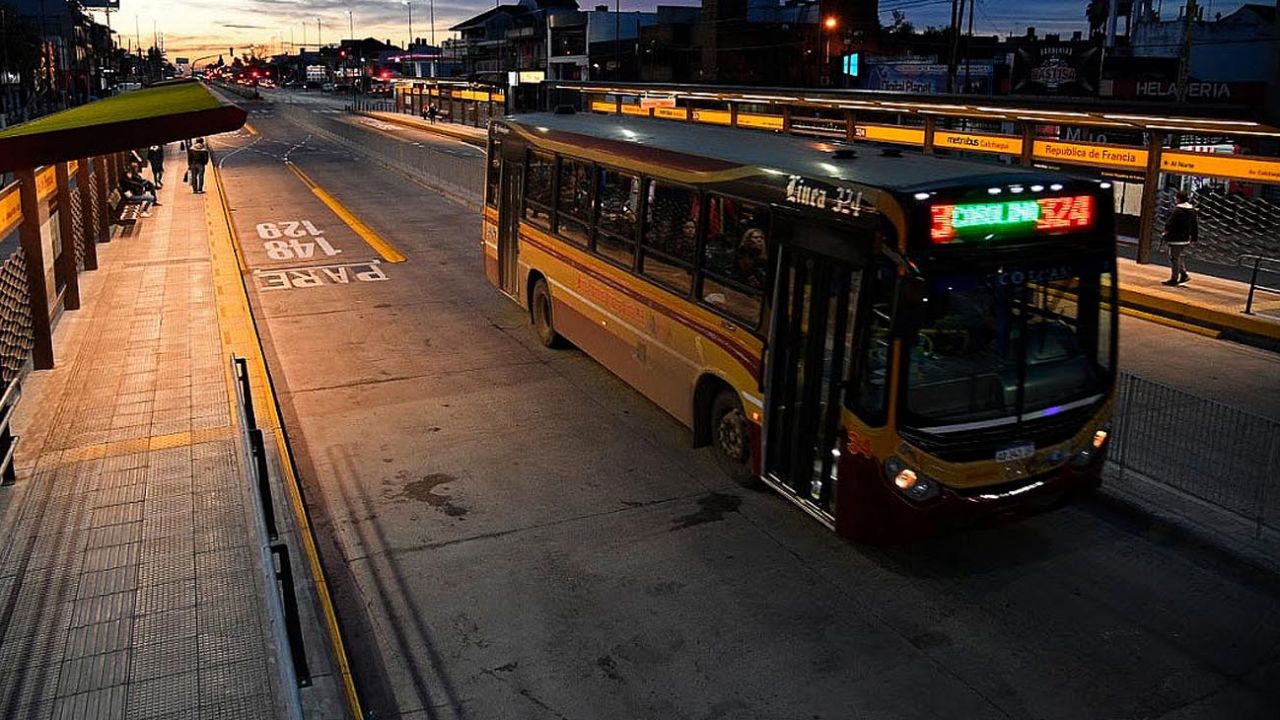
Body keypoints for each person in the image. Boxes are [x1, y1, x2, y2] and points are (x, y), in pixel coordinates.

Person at [1162, 190, 1198, 286]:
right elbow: (1195, 225)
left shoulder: (1177, 210)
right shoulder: (1192, 210)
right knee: (1177, 256)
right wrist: (1194, 238)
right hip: (1185, 238)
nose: (1175, 199)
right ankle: (1183, 275)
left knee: (1174, 257)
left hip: (1176, 238)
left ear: (1178, 199)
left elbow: (1169, 223)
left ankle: (1174, 278)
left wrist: (1165, 232)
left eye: (1176, 197)